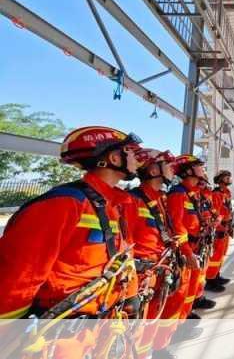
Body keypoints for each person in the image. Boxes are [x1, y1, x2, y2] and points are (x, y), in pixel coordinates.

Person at [0, 126, 142, 321]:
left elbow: (123, 256)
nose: (137, 159)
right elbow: (19, 279)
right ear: (115, 159)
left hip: (104, 320)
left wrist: (131, 295)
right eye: (131, 152)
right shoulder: (62, 204)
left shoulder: (117, 204)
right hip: (62, 335)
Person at [126, 149, 190, 358]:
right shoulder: (132, 201)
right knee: (139, 328)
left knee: (153, 319)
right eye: (167, 165)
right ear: (153, 169)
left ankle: (156, 350)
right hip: (143, 275)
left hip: (160, 269)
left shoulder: (161, 198)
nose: (172, 170)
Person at [167, 155, 215, 319]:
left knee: (192, 284)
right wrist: (187, 252)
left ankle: (187, 312)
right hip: (187, 251)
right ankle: (181, 320)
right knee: (182, 289)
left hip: (197, 246)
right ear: (188, 171)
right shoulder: (178, 193)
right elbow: (177, 227)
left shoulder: (192, 193)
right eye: (198, 166)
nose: (203, 169)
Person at [206, 170, 234, 289]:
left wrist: (231, 226)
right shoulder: (216, 194)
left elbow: (228, 210)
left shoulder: (226, 193)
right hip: (220, 229)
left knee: (222, 254)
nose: (229, 179)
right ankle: (210, 280)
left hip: (226, 227)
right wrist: (220, 228)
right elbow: (215, 214)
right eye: (227, 177)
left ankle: (216, 274)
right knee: (216, 255)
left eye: (229, 177)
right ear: (220, 180)